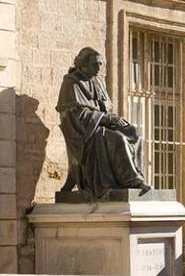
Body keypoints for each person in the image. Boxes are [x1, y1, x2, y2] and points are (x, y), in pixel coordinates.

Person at [55, 47, 152, 198]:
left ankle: (135, 177)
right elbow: (73, 115)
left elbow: (106, 108)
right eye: (95, 63)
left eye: (101, 64)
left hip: (100, 125)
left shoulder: (98, 82)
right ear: (83, 64)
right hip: (85, 132)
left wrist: (112, 119)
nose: (99, 67)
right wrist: (106, 118)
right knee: (118, 140)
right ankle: (132, 180)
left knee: (135, 135)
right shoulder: (71, 82)